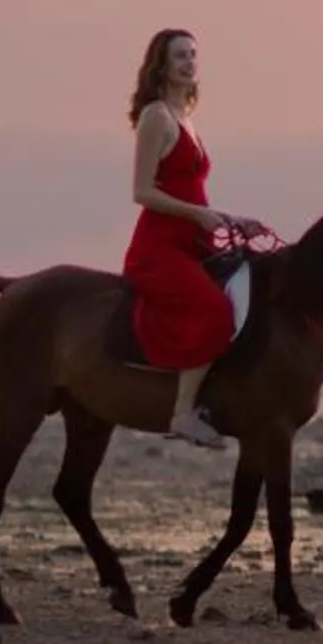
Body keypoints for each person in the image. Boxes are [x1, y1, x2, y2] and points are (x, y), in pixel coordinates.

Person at [124, 27, 246, 447]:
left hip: (194, 242)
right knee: (215, 311)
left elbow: (192, 189)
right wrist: (201, 214)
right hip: (158, 250)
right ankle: (182, 413)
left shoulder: (187, 120)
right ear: (161, 64)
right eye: (180, 56)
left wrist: (230, 219)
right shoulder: (156, 116)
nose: (190, 63)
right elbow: (142, 191)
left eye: (194, 55)